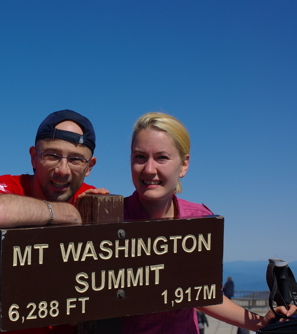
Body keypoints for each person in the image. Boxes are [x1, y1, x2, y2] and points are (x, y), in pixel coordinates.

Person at [119, 112, 296, 333]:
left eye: (162, 157)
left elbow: (203, 294)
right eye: (140, 157)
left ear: (183, 165)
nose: (149, 169)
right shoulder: (109, 218)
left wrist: (258, 322)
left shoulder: (200, 219)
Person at [0, 109, 108, 334]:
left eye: (76, 159)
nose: (62, 170)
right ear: (34, 157)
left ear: (89, 166)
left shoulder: (92, 200)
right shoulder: (9, 187)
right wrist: (67, 214)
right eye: (52, 156)